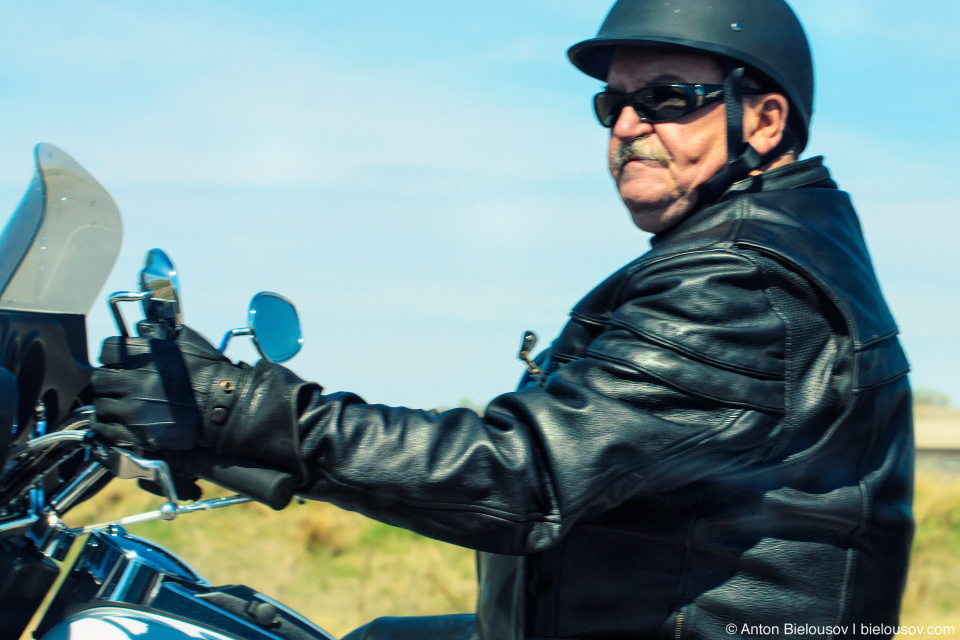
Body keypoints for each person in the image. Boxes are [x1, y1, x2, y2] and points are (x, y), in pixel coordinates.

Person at [91, 0, 914, 638]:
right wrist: (214, 440)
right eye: (613, 104)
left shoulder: (741, 286)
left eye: (668, 98)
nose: (629, 126)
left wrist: (241, 408)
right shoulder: (754, 252)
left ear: (764, 120)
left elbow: (523, 475)